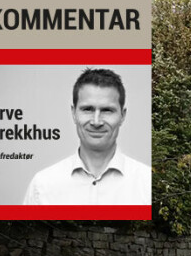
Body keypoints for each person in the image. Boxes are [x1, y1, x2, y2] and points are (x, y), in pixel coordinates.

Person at [23, 68, 150, 205]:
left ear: (122, 116)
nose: (96, 122)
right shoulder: (42, 186)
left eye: (107, 110)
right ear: (74, 113)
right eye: (87, 109)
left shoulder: (147, 183)